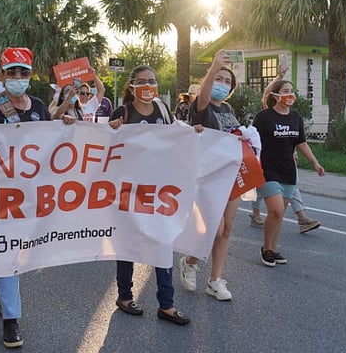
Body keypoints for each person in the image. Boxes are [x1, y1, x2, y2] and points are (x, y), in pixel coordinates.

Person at [0, 47, 76, 349]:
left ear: (30, 75)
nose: (17, 78)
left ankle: (0, 290)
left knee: (12, 252)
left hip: (28, 194)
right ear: (2, 75)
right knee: (8, 251)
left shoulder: (39, 106)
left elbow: (47, 140)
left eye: (23, 73)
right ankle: (11, 320)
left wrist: (63, 126)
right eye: (11, 72)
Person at [107, 65, 190, 325]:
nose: (147, 85)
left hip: (158, 188)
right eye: (141, 81)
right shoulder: (124, 112)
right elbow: (109, 145)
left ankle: (166, 304)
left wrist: (193, 134)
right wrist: (112, 129)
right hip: (129, 189)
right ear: (131, 86)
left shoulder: (163, 110)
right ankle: (125, 295)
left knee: (163, 241)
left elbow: (175, 136)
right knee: (128, 244)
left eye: (151, 81)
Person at [179, 50, 245, 301]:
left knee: (227, 230)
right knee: (214, 230)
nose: (223, 84)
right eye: (220, 79)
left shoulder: (228, 108)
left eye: (228, 82)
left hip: (231, 174)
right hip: (208, 177)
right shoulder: (202, 108)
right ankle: (190, 260)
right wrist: (214, 66)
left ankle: (215, 280)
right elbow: (204, 97)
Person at [252, 80, 326, 267]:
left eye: (292, 91)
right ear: (276, 95)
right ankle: (266, 248)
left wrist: (315, 163)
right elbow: (252, 142)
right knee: (275, 210)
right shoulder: (264, 117)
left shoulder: (295, 118)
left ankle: (274, 249)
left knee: (279, 215)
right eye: (286, 91)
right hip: (268, 169)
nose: (290, 95)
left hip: (288, 171)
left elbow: (301, 142)